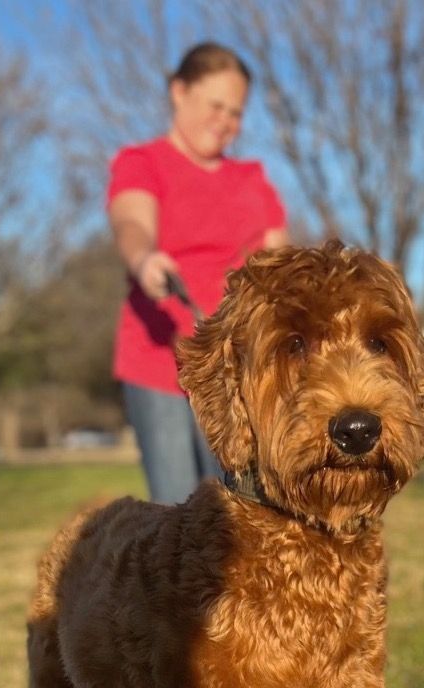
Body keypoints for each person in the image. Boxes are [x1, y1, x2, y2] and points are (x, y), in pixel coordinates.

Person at [107, 43, 289, 504]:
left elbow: (280, 262)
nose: (225, 120)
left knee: (239, 506)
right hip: (158, 362)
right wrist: (145, 259)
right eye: (216, 105)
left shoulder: (251, 178)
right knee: (176, 512)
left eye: (236, 112)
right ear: (179, 91)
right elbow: (132, 223)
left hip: (233, 366)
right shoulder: (142, 162)